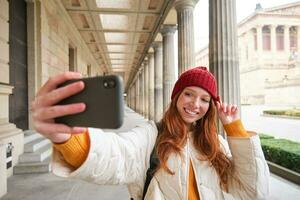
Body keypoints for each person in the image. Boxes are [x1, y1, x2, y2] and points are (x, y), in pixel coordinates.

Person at [31, 66, 270, 200]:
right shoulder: (151, 135)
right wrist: (68, 138)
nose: (195, 104)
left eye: (204, 99)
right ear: (176, 96)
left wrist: (234, 129)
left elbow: (253, 191)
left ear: (211, 106)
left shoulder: (217, 143)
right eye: (188, 94)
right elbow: (118, 155)